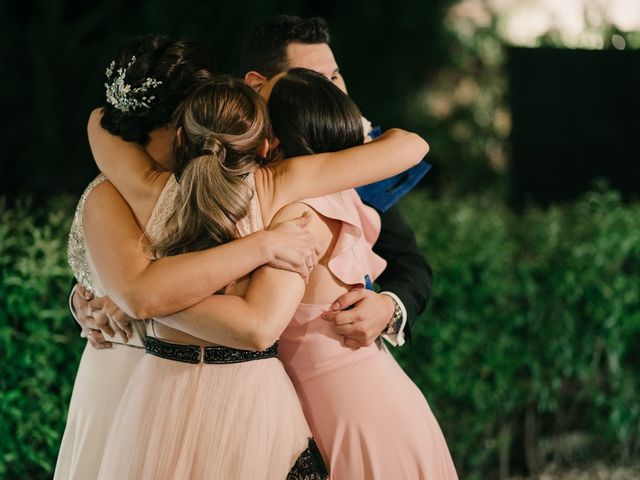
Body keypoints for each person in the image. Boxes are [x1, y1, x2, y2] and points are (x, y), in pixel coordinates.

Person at [55, 35, 320, 480]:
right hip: (131, 380)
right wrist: (95, 297)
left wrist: (132, 296)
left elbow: (141, 290)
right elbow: (125, 281)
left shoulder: (194, 189)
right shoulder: (129, 191)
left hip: (166, 382)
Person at [241, 15, 433, 349]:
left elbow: (409, 262)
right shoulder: (225, 154)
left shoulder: (363, 157)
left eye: (335, 75)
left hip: (329, 352)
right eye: (314, 79)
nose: (335, 91)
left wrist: (388, 307)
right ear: (258, 85)